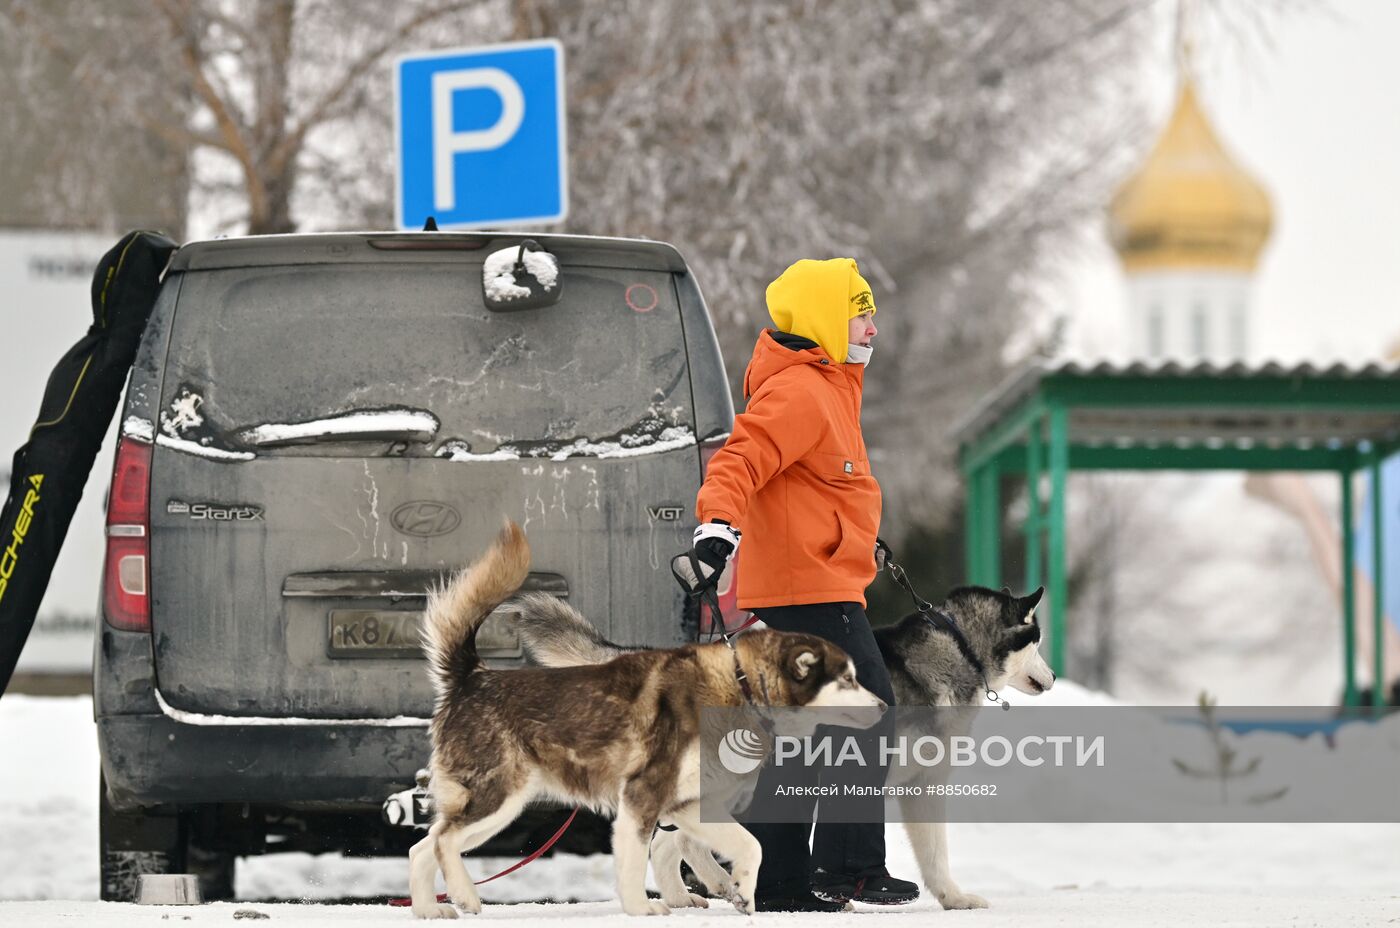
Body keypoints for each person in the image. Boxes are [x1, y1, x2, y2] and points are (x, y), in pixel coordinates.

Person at [680, 257, 918, 912]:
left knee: (801, 736)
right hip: (808, 586)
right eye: (860, 312)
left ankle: (780, 880)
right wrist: (718, 527)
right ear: (823, 317)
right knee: (868, 709)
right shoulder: (801, 391)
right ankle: (851, 869)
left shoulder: (831, 386)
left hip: (816, 578)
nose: (873, 326)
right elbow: (740, 458)